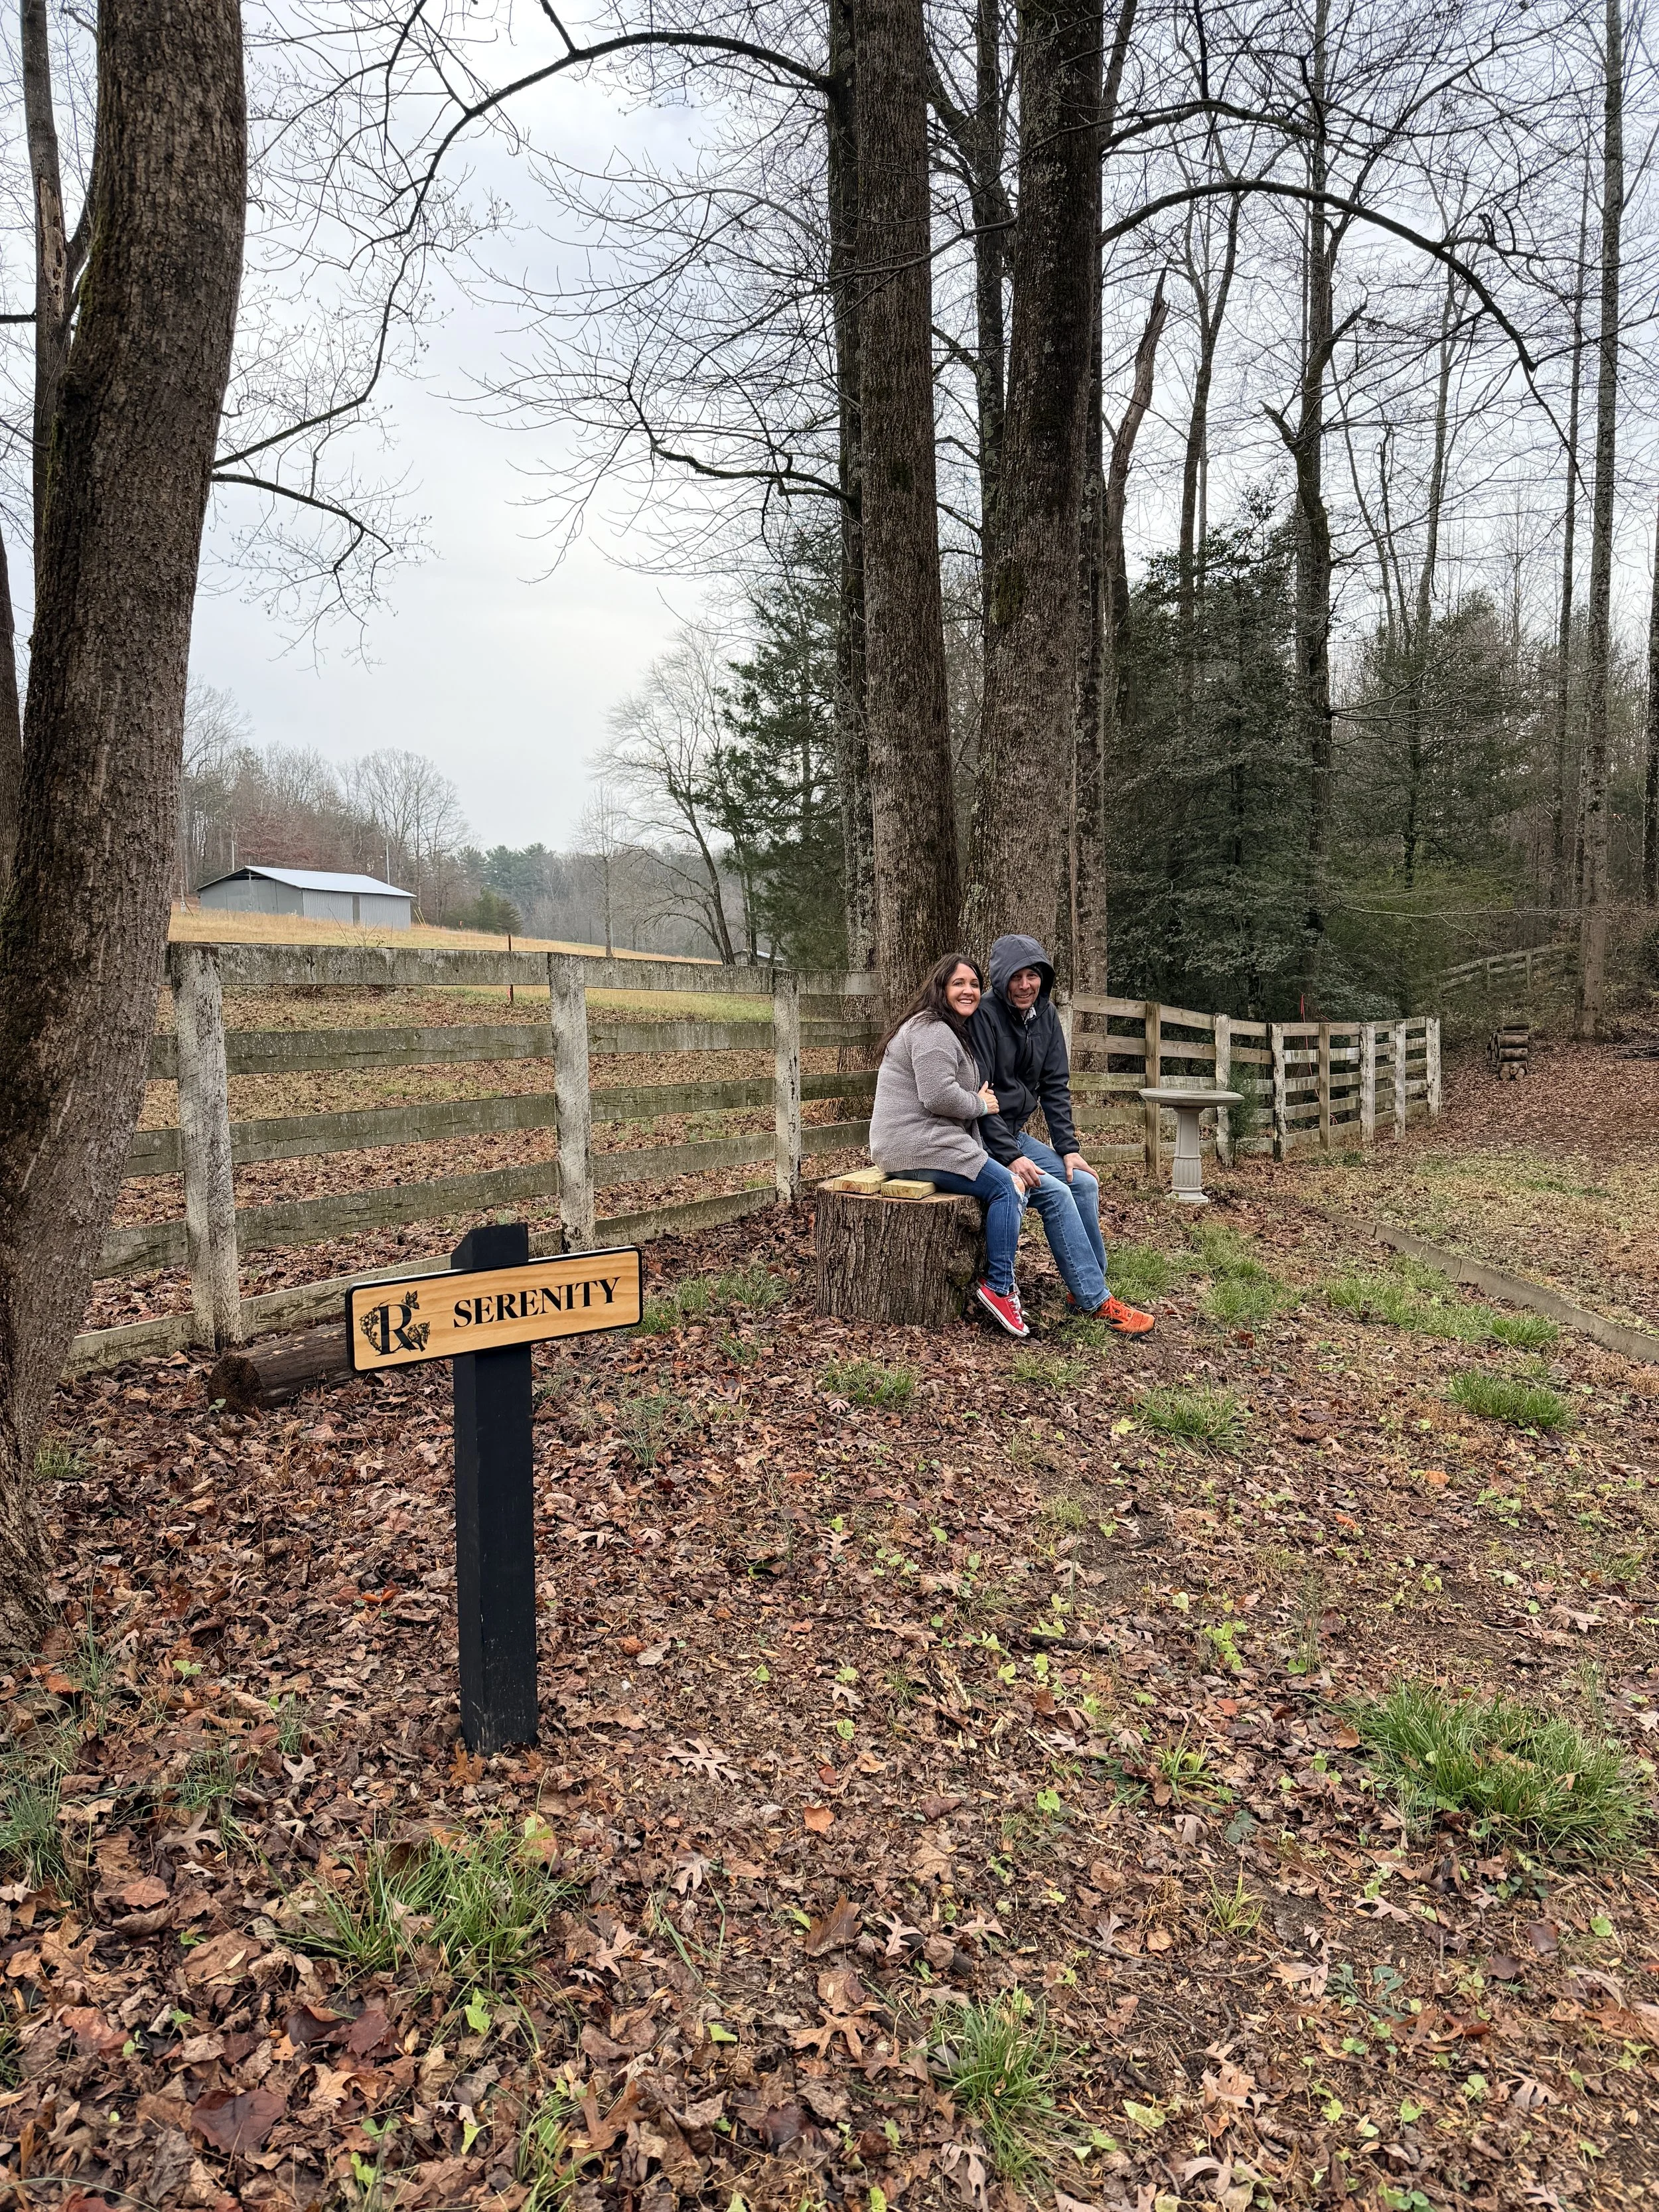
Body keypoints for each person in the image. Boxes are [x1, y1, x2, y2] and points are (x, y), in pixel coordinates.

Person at [968, 932, 1155, 1337]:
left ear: (1043, 979)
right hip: (985, 1139)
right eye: (1015, 977)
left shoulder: (1046, 1016)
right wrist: (1008, 1155)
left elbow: (1055, 1086)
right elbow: (980, 1095)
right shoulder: (984, 1015)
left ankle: (1085, 1289)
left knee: (1082, 1181)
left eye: (1032, 976)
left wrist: (1068, 1148)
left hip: (1016, 1133)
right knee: (1056, 1193)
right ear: (1000, 980)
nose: (1024, 985)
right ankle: (1095, 1298)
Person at [867, 952, 1032, 1337]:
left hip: (926, 1142)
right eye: (959, 983)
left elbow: (943, 1092)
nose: (968, 990)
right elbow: (937, 1096)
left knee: (1010, 1185)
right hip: (917, 1143)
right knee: (1007, 1188)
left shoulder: (948, 1029)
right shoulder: (932, 1029)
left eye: (974, 984)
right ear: (941, 988)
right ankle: (999, 1287)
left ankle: (998, 1279)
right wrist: (981, 1103)